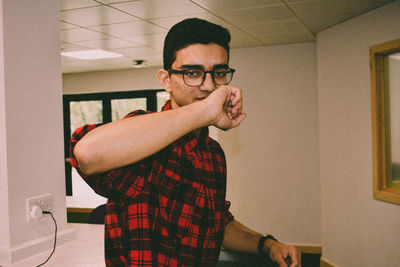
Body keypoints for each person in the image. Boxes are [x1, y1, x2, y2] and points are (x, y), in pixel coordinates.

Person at [70, 18, 301, 267]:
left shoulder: (212, 153)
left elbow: (216, 223)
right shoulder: (144, 138)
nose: (209, 86)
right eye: (192, 73)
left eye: (219, 73)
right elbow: (86, 154)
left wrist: (266, 244)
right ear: (166, 80)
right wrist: (205, 111)